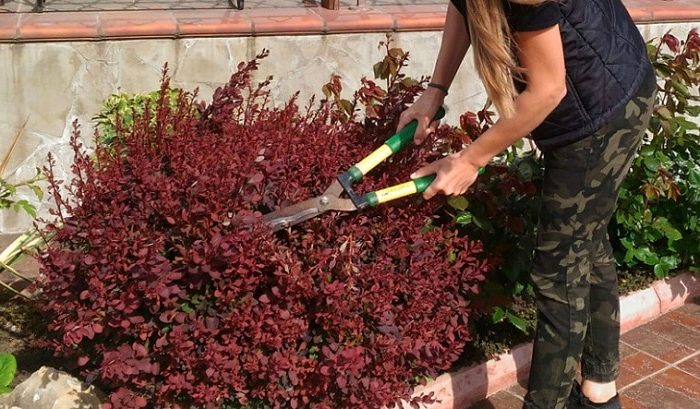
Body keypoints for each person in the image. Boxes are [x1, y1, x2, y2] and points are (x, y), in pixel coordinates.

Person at [397, 1, 657, 408]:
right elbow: (464, 5)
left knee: (560, 268)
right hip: (606, 83)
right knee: (584, 240)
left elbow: (548, 89)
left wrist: (470, 160)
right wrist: (435, 91)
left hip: (604, 108)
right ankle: (600, 391)